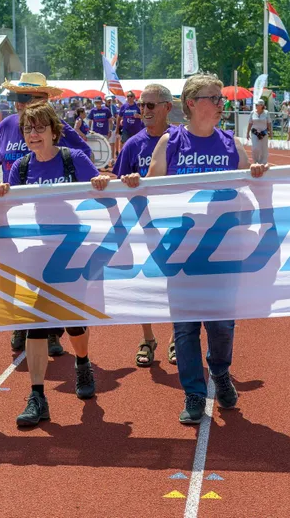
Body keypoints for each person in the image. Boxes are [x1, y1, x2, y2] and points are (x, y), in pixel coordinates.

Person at [121, 73, 269, 424]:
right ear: (191, 103)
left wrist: (259, 178)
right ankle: (193, 392)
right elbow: (151, 191)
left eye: (221, 98)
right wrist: (134, 184)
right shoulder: (171, 143)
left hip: (222, 253)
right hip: (181, 252)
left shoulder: (231, 144)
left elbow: (251, 191)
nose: (221, 104)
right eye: (213, 97)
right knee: (185, 328)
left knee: (221, 326)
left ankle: (219, 371)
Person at [0, 102, 111, 427]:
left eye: (40, 128)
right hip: (37, 253)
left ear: (55, 131)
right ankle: (37, 396)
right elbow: (6, 213)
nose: (33, 134)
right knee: (35, 319)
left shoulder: (74, 160)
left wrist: (102, 186)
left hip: (72, 251)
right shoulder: (21, 169)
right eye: (28, 129)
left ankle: (82, 362)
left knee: (72, 319)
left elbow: (105, 196)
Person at [0, 72, 92, 353]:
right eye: (16, 97)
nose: (19, 103)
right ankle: (24, 324)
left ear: (42, 99)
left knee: (56, 284)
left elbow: (85, 160)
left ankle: (53, 332)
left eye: (25, 97)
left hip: (60, 223)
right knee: (20, 277)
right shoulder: (6, 126)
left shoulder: (61, 129)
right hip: (18, 216)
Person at [113, 84, 177, 368]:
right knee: (142, 285)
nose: (144, 111)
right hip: (141, 226)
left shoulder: (181, 140)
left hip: (176, 226)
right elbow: (117, 186)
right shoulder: (132, 145)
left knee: (175, 283)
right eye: (141, 106)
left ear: (167, 107)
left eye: (150, 106)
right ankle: (147, 338)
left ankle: (178, 337)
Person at [246, 99, 272, 164]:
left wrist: (271, 132)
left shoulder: (266, 113)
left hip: (264, 132)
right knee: (255, 147)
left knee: (264, 148)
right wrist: (247, 133)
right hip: (255, 132)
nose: (256, 106)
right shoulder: (252, 113)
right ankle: (256, 161)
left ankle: (263, 162)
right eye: (256, 104)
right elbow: (250, 123)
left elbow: (269, 123)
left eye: (257, 105)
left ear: (261, 105)